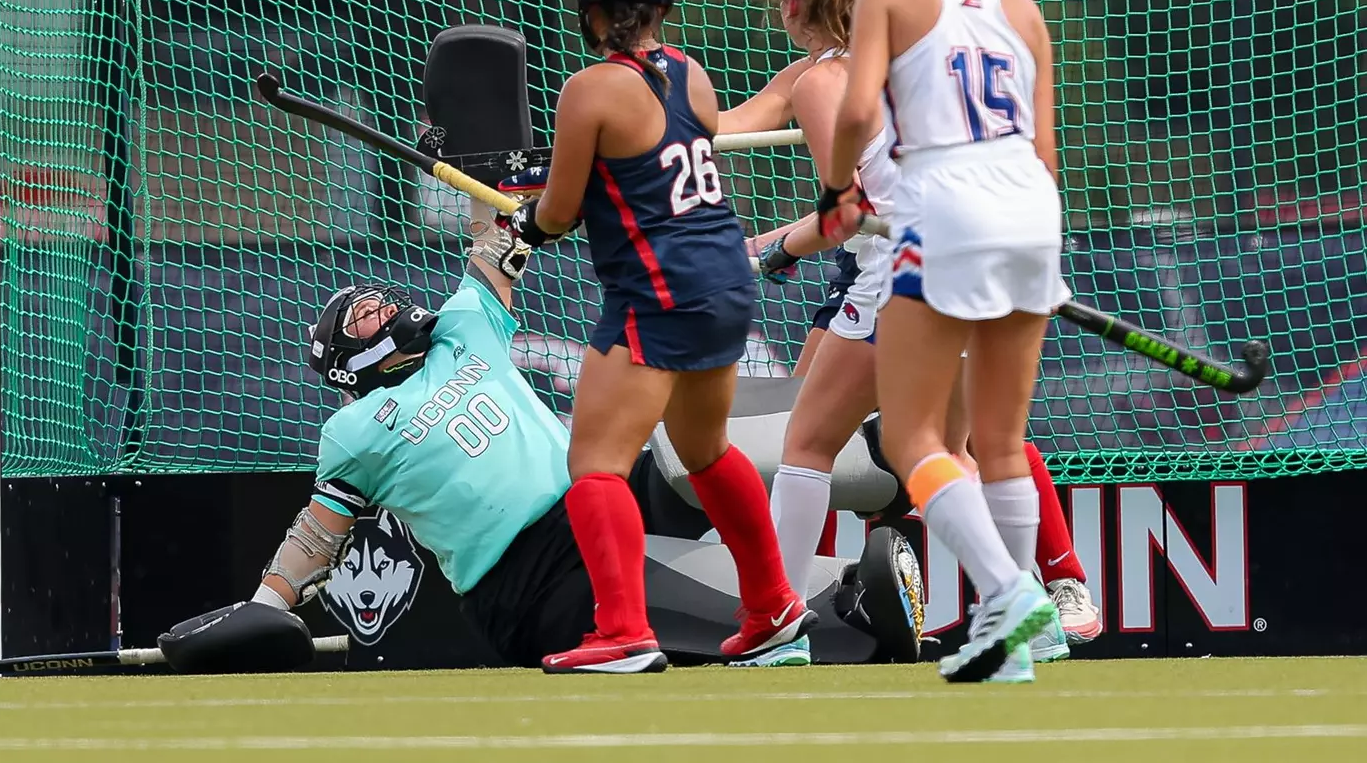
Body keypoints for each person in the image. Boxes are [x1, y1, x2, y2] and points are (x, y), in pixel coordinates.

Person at [250, 203, 913, 670]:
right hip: (527, 578)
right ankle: (849, 605)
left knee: (689, 445)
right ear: (346, 361)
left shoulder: (461, 328)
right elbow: (316, 536)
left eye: (377, 300)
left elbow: (496, 247)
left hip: (598, 497)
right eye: (362, 317)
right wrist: (264, 607)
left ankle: (882, 462)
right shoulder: (352, 429)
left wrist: (501, 183)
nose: (381, 306)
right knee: (708, 607)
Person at [727, 0, 1101, 654]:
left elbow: (847, 213)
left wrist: (771, 251)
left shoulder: (828, 81)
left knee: (809, 443)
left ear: (794, 5)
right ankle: (1025, 614)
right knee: (951, 453)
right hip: (984, 258)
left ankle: (777, 625)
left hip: (905, 268)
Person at [506, 0, 813, 673]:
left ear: (591, 15)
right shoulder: (691, 72)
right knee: (705, 450)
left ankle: (621, 631)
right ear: (661, 10)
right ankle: (773, 609)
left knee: (595, 463)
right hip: (723, 279)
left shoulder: (589, 90)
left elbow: (560, 211)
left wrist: (523, 225)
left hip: (658, 291)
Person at [820, 0, 1067, 683]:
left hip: (945, 207)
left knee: (913, 436)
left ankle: (1009, 593)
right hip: (1031, 210)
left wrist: (835, 189)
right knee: (1000, 441)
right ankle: (1022, 637)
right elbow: (1045, 149)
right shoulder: (1021, 7)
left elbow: (858, 111)